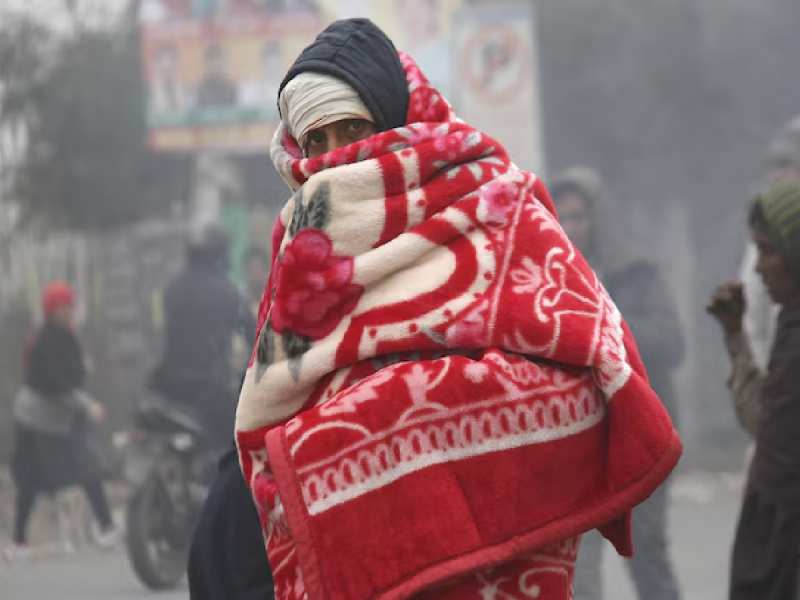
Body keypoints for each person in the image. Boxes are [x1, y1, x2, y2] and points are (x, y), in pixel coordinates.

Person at [235, 18, 681, 599]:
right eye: (313, 142)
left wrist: (399, 420)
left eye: (350, 130)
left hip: (505, 564)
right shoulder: (301, 242)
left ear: (394, 120)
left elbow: (595, 372)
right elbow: (268, 409)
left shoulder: (496, 203)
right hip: (356, 559)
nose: (332, 158)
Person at [551, 167, 684, 600]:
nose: (571, 228)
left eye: (579, 217)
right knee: (578, 564)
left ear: (598, 219)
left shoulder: (637, 274)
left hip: (640, 435)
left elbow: (672, 343)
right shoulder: (548, 279)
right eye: (562, 218)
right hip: (579, 441)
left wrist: (607, 331)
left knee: (647, 553)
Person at [708, 181, 800, 600]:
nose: (759, 268)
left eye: (768, 250)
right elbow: (768, 426)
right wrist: (736, 337)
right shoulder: (790, 324)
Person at [7, 282, 119, 560]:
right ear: (51, 311)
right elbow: (56, 385)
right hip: (38, 420)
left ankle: (105, 526)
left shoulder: (64, 336)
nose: (68, 311)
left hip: (54, 419)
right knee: (36, 479)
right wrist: (87, 405)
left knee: (85, 467)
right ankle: (21, 542)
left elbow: (70, 376)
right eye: (62, 306)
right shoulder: (49, 340)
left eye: (70, 305)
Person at [151, 225, 252, 451]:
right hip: (210, 387)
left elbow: (164, 333)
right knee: (237, 448)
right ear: (220, 256)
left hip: (169, 386)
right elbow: (255, 335)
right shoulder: (227, 292)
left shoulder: (172, 289)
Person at [739, 115, 800, 371]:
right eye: (774, 165)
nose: (777, 175)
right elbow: (755, 326)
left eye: (788, 164)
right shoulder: (763, 243)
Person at [196, 44, 238, 109]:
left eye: (218, 61)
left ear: (224, 63)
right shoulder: (201, 88)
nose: (216, 65)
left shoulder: (232, 87)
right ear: (206, 64)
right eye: (212, 61)